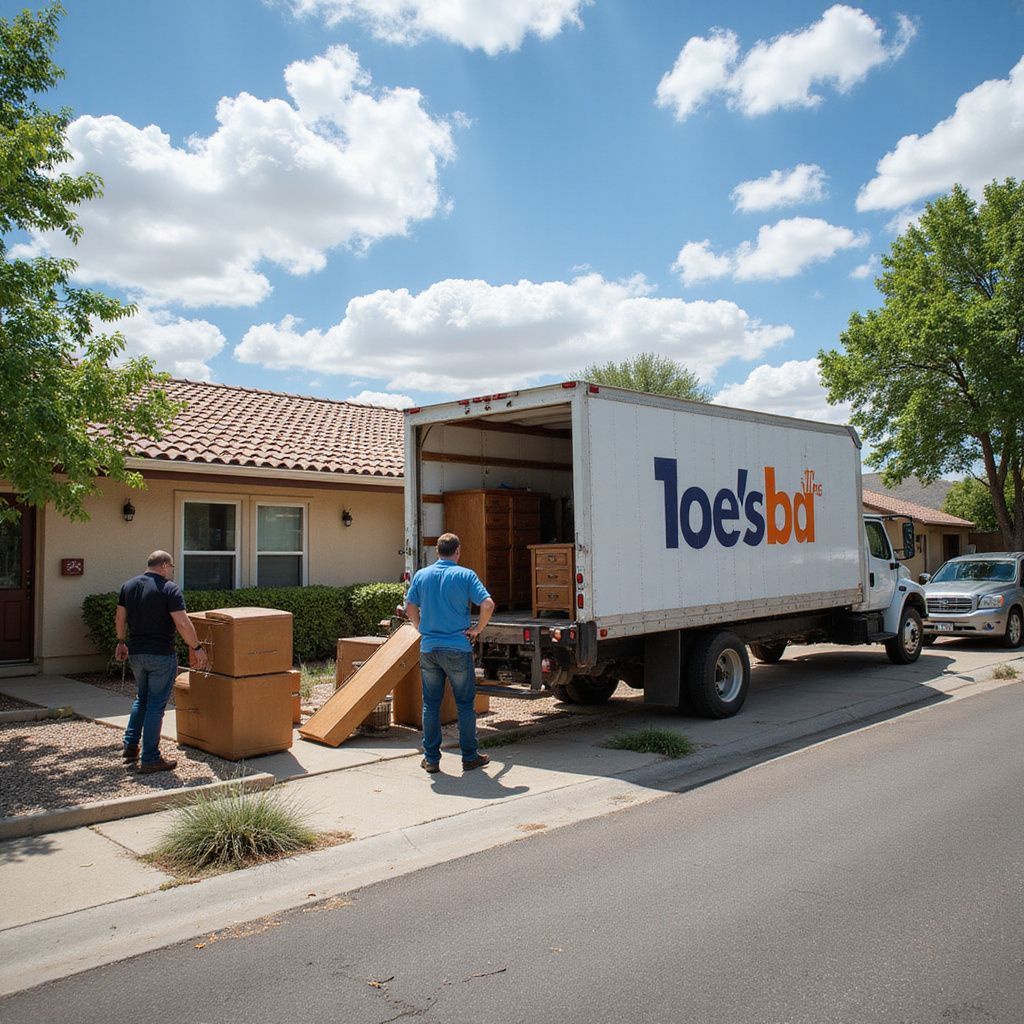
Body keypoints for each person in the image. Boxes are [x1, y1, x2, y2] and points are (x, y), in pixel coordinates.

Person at [405, 532, 496, 774]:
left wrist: (418, 627)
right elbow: (487, 604)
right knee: (465, 704)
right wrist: (477, 629)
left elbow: (410, 606)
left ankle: (432, 759)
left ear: (437, 551)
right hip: (457, 648)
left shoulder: (422, 575)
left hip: (430, 648)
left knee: (431, 705)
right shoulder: (465, 575)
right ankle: (469, 756)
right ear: (458, 552)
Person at [114, 550, 208, 773]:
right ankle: (150, 758)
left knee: (142, 699)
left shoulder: (128, 586)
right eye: (172, 567)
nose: (172, 572)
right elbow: (182, 623)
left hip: (136, 653)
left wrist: (121, 642)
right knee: (156, 705)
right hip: (161, 655)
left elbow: (120, 618)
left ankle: (130, 745)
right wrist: (196, 647)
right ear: (164, 565)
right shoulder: (169, 589)